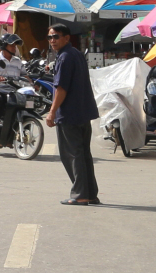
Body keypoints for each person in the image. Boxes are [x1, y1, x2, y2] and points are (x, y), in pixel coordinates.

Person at [45, 23, 100, 205]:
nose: (52, 40)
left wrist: (52, 112)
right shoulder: (75, 54)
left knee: (72, 154)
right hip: (83, 111)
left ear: (66, 38)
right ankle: (90, 193)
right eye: (50, 37)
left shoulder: (65, 57)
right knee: (83, 154)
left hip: (70, 113)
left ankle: (81, 194)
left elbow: (61, 88)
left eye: (56, 36)